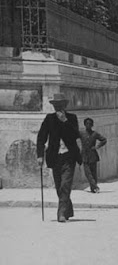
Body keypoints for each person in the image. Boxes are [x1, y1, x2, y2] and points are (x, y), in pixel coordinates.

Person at [36, 93, 83, 223]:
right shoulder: (49, 119)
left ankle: (61, 214)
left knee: (65, 185)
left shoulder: (72, 118)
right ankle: (68, 209)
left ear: (64, 106)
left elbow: (75, 135)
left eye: (60, 105)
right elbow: (41, 137)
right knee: (59, 186)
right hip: (55, 157)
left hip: (69, 156)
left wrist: (65, 122)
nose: (58, 108)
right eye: (56, 105)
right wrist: (40, 155)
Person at [79, 117, 107, 193]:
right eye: (87, 124)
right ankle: (95, 186)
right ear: (84, 125)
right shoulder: (81, 133)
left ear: (92, 125)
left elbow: (104, 140)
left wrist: (97, 146)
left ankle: (93, 188)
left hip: (93, 155)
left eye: (90, 124)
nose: (88, 125)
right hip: (84, 155)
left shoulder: (95, 134)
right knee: (87, 173)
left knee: (93, 173)